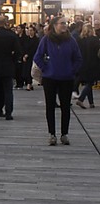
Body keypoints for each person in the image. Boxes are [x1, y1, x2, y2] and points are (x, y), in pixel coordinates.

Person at [34, 16, 82, 145]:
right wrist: (46, 68)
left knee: (65, 107)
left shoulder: (71, 40)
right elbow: (37, 57)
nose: (65, 25)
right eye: (62, 23)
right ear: (54, 25)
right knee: (50, 106)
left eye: (65, 23)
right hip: (50, 78)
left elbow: (78, 58)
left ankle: (64, 134)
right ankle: (52, 134)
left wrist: (72, 70)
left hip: (66, 78)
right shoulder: (46, 40)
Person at [75, 24, 100, 109]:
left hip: (82, 64)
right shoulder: (95, 39)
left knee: (88, 82)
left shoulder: (79, 39)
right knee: (90, 83)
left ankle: (91, 103)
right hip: (93, 64)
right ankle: (81, 99)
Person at [21, 25, 40, 91]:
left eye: (31, 30)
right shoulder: (26, 39)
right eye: (29, 30)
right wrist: (24, 55)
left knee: (31, 70)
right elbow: (23, 47)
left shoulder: (36, 40)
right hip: (26, 57)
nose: (30, 32)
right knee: (26, 71)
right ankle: (29, 83)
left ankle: (29, 84)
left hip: (33, 57)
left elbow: (35, 49)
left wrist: (28, 54)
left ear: (34, 31)